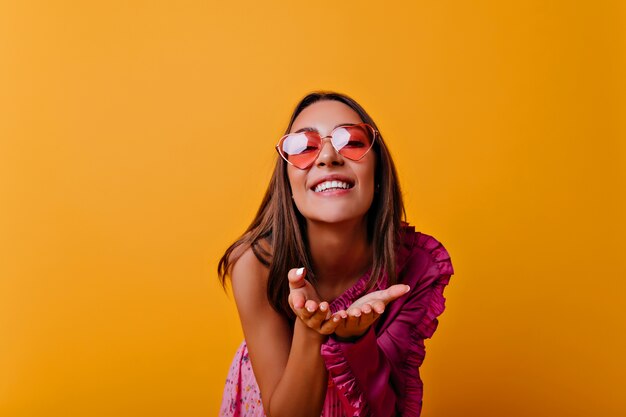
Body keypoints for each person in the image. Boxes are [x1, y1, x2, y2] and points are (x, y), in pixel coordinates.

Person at [217, 91, 455, 417]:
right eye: (304, 148)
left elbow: (389, 410)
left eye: (353, 142)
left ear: (379, 175)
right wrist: (311, 327)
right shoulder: (255, 264)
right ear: (288, 183)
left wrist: (357, 341)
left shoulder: (416, 267)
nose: (328, 156)